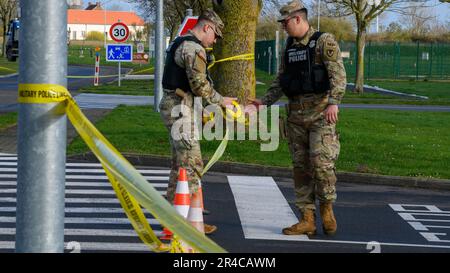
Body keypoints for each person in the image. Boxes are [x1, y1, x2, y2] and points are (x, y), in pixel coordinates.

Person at [249, 0, 346, 236]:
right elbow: (280, 81)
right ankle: (307, 218)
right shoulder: (289, 46)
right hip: (295, 115)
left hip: (321, 113)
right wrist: (263, 102)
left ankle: (326, 209)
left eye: (285, 22)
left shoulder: (324, 41)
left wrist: (334, 102)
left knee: (321, 164)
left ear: (298, 19)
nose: (283, 27)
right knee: (300, 168)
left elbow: (338, 75)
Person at [159, 9, 235, 235]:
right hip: (179, 109)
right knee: (192, 164)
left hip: (176, 106)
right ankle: (191, 223)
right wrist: (222, 102)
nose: (215, 41)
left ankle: (172, 216)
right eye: (215, 35)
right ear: (207, 27)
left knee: (180, 166)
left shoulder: (180, 42)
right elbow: (200, 86)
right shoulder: (193, 48)